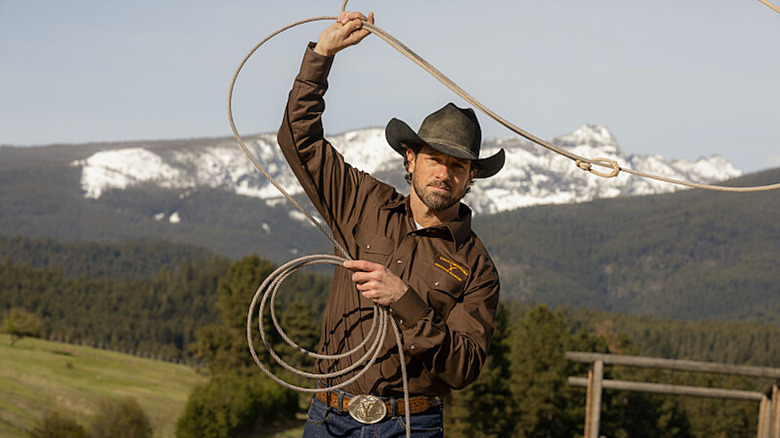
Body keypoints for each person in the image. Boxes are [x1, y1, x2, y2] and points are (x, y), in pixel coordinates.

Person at [276, 11, 505, 437]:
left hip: (411, 424)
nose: (444, 173)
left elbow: (464, 367)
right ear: (411, 159)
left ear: (471, 176)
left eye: (458, 166)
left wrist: (406, 301)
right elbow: (298, 138)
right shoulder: (364, 204)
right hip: (329, 418)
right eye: (435, 159)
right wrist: (322, 56)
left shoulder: (477, 266)